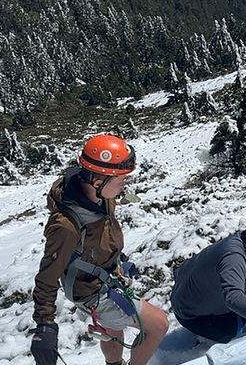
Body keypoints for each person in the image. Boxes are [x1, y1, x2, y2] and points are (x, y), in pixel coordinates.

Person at [30, 134, 169, 365]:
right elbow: (47, 276)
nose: (125, 184)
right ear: (97, 181)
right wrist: (45, 323)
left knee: (114, 330)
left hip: (102, 277)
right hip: (93, 290)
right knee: (158, 324)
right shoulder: (66, 225)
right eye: (121, 179)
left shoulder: (99, 195)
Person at [170, 206, 246, 344]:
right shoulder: (235, 258)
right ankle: (207, 338)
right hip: (193, 315)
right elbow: (233, 298)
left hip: (192, 293)